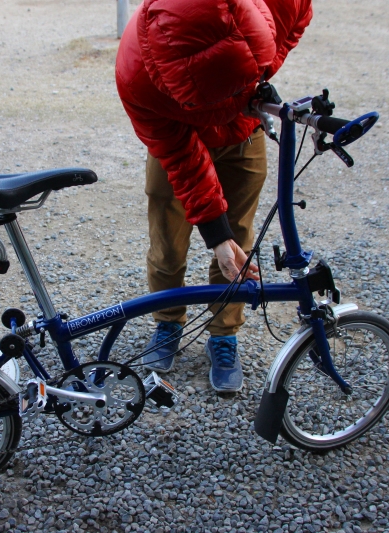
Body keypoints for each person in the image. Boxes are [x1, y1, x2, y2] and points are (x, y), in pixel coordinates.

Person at [115, 0, 313, 391]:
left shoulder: (281, 5)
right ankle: (168, 322)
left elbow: (298, 17)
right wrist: (215, 234)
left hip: (245, 136)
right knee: (168, 242)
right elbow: (182, 159)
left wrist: (259, 71)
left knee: (238, 241)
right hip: (179, 141)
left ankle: (224, 333)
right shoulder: (137, 75)